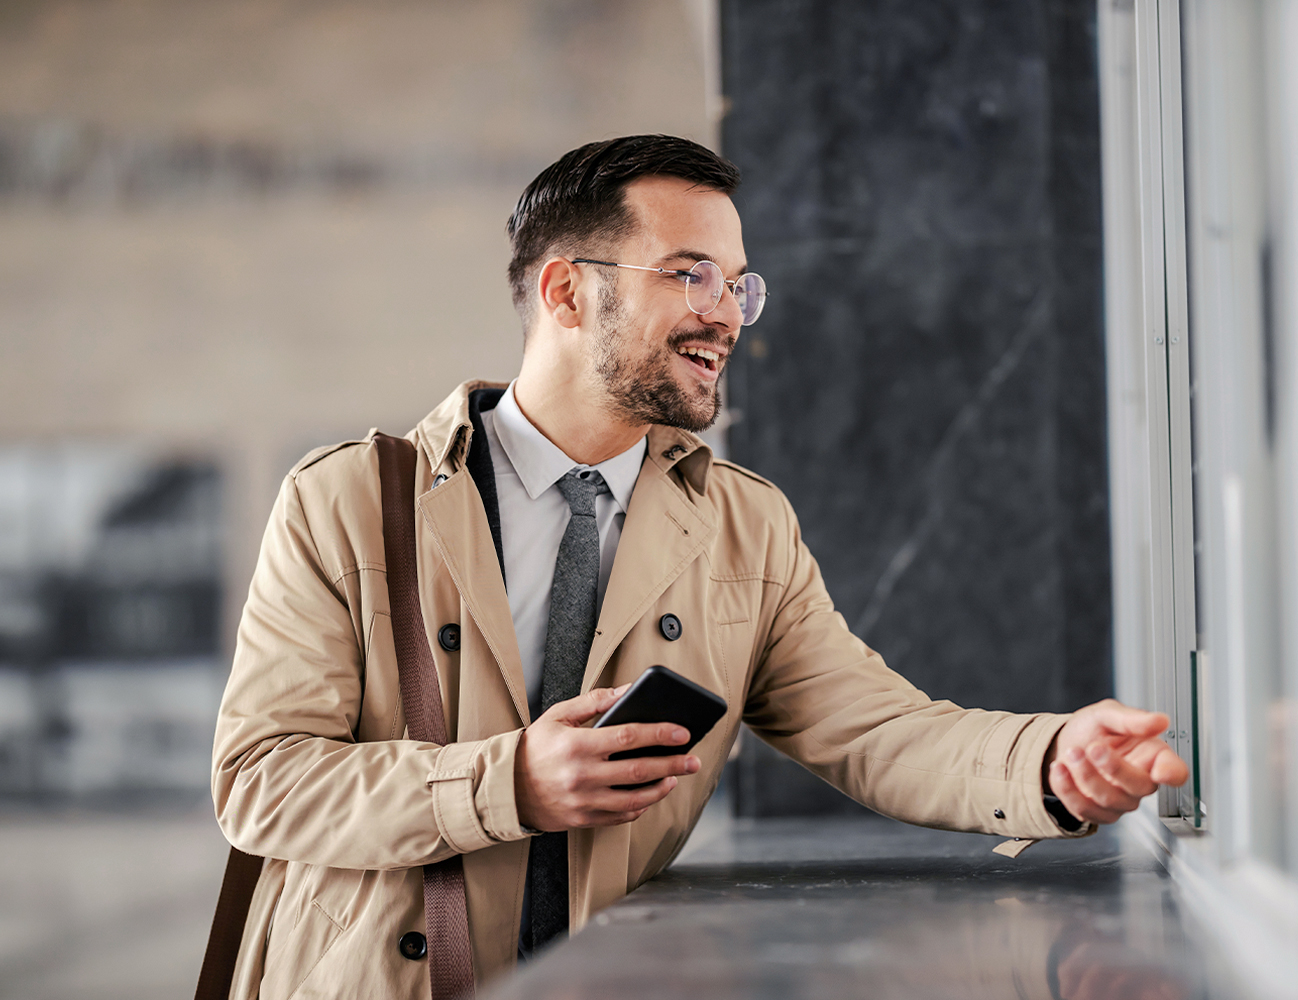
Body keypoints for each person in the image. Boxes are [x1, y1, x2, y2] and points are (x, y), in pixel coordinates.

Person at [211, 134, 1188, 998]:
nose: (727, 314)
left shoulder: (744, 523)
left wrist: (1052, 764)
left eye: (737, 283)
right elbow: (260, 780)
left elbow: (877, 729)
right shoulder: (346, 500)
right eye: (689, 274)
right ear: (564, 290)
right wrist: (508, 781)